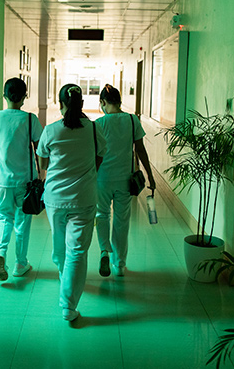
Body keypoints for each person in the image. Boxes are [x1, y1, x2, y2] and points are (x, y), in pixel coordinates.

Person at [37, 84, 106, 322]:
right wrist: (86, 174)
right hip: (84, 197)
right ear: (82, 105)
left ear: (60, 104)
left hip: (55, 199)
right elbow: (100, 156)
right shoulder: (93, 129)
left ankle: (64, 278)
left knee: (59, 248)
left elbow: (43, 164)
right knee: (77, 251)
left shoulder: (51, 130)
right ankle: (68, 305)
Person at [0, 77, 43, 281]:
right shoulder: (30, 119)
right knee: (23, 221)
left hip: (2, 179)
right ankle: (20, 263)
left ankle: (0, 253)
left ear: (4, 95)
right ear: (24, 97)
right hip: (25, 181)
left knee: (4, 217)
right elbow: (40, 149)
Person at [95, 84, 155, 277]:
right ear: (119, 101)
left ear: (103, 102)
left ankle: (104, 251)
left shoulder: (99, 123)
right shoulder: (132, 120)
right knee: (122, 220)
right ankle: (119, 264)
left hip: (102, 178)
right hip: (125, 180)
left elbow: (93, 154)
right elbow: (140, 149)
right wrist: (150, 176)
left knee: (102, 215)